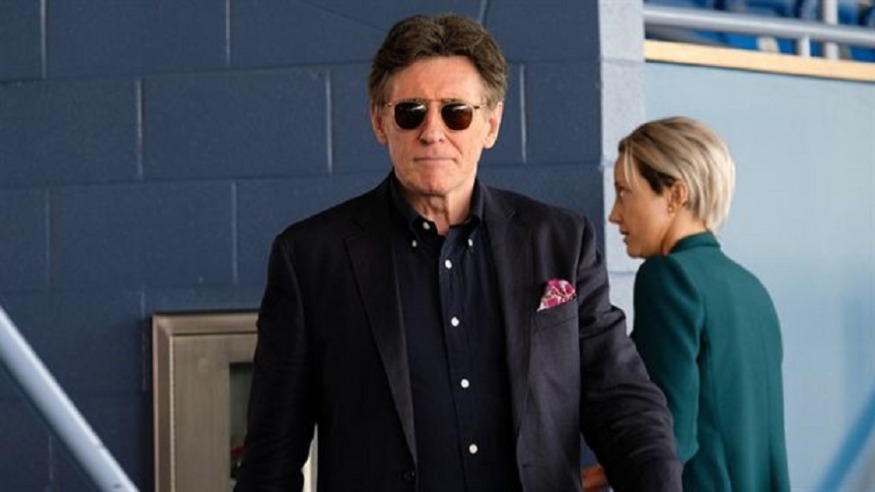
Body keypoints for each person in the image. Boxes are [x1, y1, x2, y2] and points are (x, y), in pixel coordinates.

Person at [234, 13, 681, 492]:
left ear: (491, 123)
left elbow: (623, 406)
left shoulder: (561, 242)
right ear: (380, 122)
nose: (432, 132)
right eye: (411, 112)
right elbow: (272, 457)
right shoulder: (310, 258)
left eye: (456, 113)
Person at [608, 116, 791, 491]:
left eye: (624, 192)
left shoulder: (666, 277)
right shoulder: (752, 289)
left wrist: (589, 479)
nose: (614, 214)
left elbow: (668, 439)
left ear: (676, 195)